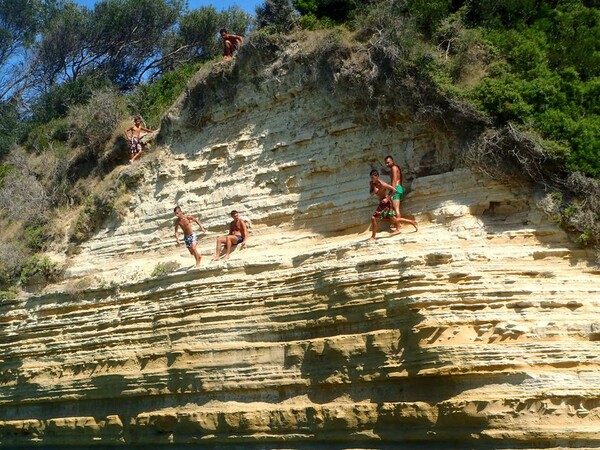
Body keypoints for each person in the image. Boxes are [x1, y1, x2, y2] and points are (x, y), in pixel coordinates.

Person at [384, 155, 418, 233]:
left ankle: (398, 228)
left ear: (392, 161)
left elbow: (394, 179)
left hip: (395, 188)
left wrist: (392, 191)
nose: (387, 164)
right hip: (398, 188)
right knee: (391, 207)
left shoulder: (393, 168)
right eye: (386, 163)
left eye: (388, 162)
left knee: (396, 209)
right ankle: (395, 223)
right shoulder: (396, 167)